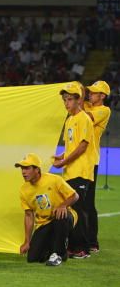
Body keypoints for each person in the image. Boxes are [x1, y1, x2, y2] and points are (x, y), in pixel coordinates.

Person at [52, 82, 95, 259]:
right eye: (64, 100)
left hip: (81, 171)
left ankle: (82, 248)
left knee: (80, 209)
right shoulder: (70, 120)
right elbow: (71, 146)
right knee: (74, 211)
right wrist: (61, 157)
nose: (66, 103)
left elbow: (82, 147)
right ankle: (74, 245)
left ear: (79, 100)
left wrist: (64, 162)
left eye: (69, 99)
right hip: (70, 171)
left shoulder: (84, 118)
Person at [16, 153, 78, 266]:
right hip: (44, 223)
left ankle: (58, 254)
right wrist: (27, 242)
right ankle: (56, 246)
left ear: (37, 169)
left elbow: (75, 196)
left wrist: (62, 205)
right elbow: (29, 216)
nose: (23, 172)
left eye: (27, 168)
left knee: (60, 215)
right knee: (33, 258)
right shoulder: (23, 190)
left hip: (63, 217)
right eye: (22, 168)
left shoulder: (54, 180)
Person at [83, 80, 111, 253]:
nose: (90, 94)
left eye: (94, 93)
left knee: (87, 204)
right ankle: (80, 239)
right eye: (90, 92)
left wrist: (80, 104)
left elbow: (86, 119)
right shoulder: (87, 105)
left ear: (102, 96)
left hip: (90, 160)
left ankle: (92, 242)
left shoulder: (103, 110)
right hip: (77, 160)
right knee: (79, 203)